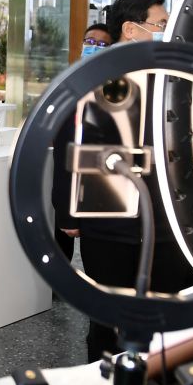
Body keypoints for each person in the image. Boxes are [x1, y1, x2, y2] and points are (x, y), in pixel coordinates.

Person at [53, 0, 193, 363]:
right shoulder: (93, 75)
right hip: (109, 222)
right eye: (160, 25)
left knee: (165, 314)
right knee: (108, 318)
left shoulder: (171, 76)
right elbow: (71, 142)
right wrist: (69, 212)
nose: (167, 33)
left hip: (167, 221)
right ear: (132, 29)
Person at [54, 23, 115, 258]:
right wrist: (67, 213)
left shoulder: (118, 88)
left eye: (102, 44)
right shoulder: (71, 83)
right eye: (90, 41)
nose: (93, 47)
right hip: (71, 193)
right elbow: (65, 154)